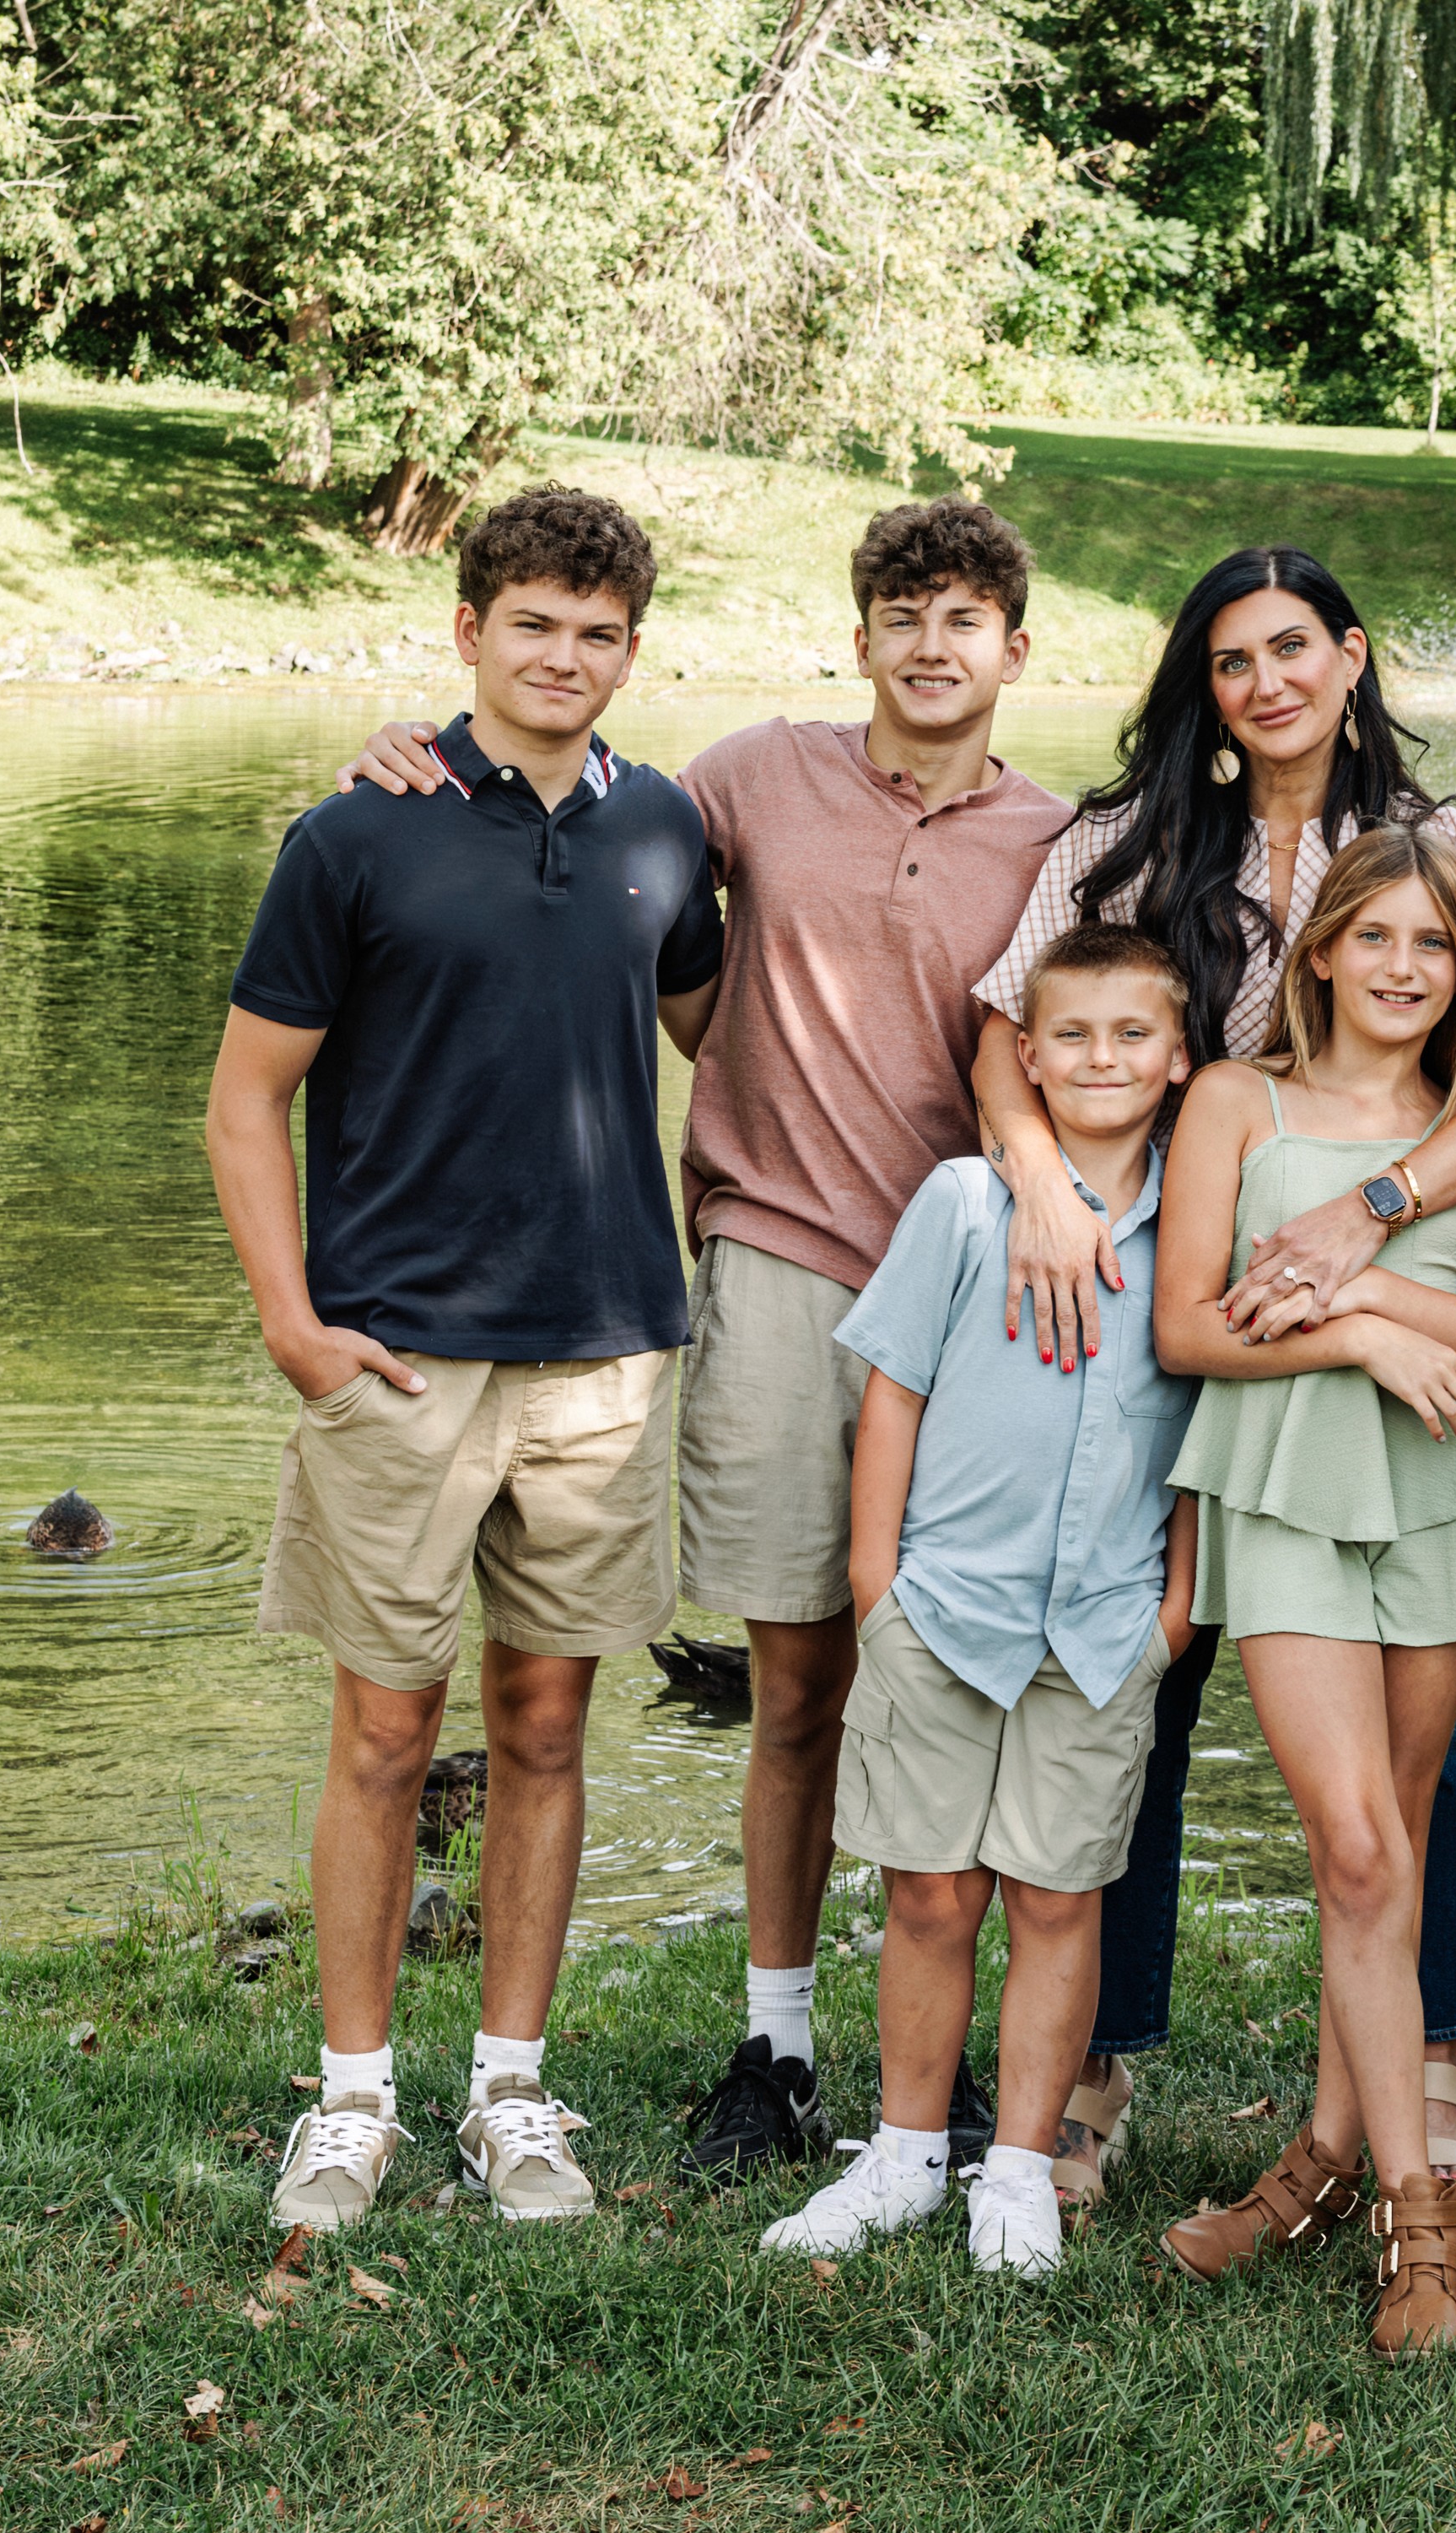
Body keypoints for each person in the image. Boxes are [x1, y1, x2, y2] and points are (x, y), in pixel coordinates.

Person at [331, 502, 1074, 2188]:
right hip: (776, 1261)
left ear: (1014, 650)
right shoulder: (748, 778)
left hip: (973, 1292)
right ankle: (781, 2041)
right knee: (796, 1674)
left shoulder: (1059, 837)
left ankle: (936, 2044)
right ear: (860, 636)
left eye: (964, 617)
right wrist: (405, 758)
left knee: (948, 1674)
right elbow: (571, 805)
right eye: (899, 613)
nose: (931, 643)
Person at [966, 543, 1456, 2209]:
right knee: (1122, 1667)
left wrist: (1376, 1227)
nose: (1266, 682)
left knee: (1416, 1729)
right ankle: (1091, 2042)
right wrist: (1027, 1170)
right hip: (1149, 1302)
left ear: (1350, 656)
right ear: (1202, 687)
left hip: (1364, 1318)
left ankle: (1424, 2045)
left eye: (1291, 648)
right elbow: (1003, 1032)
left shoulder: (1442, 853)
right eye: (1230, 661)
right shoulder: (1125, 844)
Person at [206, 486, 724, 2232]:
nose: (564, 658)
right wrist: (294, 1324)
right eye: (533, 626)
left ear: (629, 651)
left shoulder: (663, 829)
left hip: (600, 1356)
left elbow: (718, 1030)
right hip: (398, 1354)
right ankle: (351, 2101)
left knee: (545, 1721)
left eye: (596, 634)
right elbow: (243, 1098)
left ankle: (511, 2087)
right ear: (468, 633)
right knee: (378, 1728)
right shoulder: (357, 833)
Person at [1149, 827, 1456, 2356]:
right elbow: (1189, 1329)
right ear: (1318, 950)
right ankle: (1418, 2219)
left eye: (1434, 949)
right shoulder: (1234, 1105)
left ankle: (1319, 2160)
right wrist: (1366, 1343)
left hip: (1442, 1508)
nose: (1402, 970)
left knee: (1374, 1866)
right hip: (1293, 1501)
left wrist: (1381, 1282)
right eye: (1375, 938)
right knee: (1362, 1849)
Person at [752, 923, 1200, 2276]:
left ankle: (1016, 2164)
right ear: (1027, 1055)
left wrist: (1179, 1611)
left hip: (1108, 1622)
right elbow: (893, 1394)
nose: (1102, 1058)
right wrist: (875, 1583)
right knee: (933, 1895)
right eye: (1071, 1034)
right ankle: (902, 2153)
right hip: (942, 1608)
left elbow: (1209, 1424)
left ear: (1180, 1060)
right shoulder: (962, 1201)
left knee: (1059, 1899)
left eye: (1133, 1034)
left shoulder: (1200, 1221)